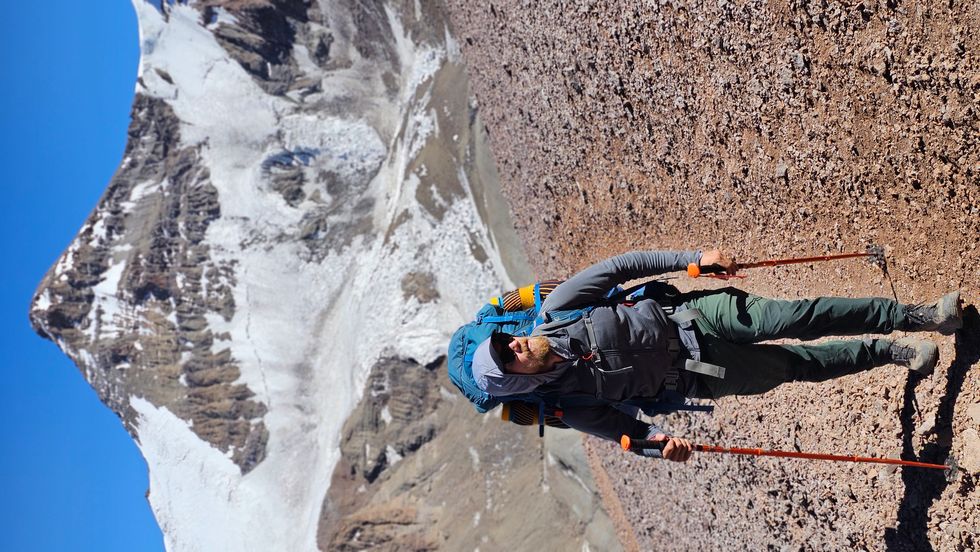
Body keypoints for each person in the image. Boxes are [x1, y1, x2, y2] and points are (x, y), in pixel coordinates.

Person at [471, 249, 963, 463]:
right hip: (699, 375)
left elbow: (620, 267)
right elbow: (627, 432)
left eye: (504, 343)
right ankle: (892, 352)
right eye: (506, 358)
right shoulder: (570, 404)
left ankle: (918, 317)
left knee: (797, 318)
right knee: (798, 366)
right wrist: (661, 445)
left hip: (694, 315)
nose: (512, 345)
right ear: (518, 382)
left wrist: (693, 261)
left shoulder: (556, 309)